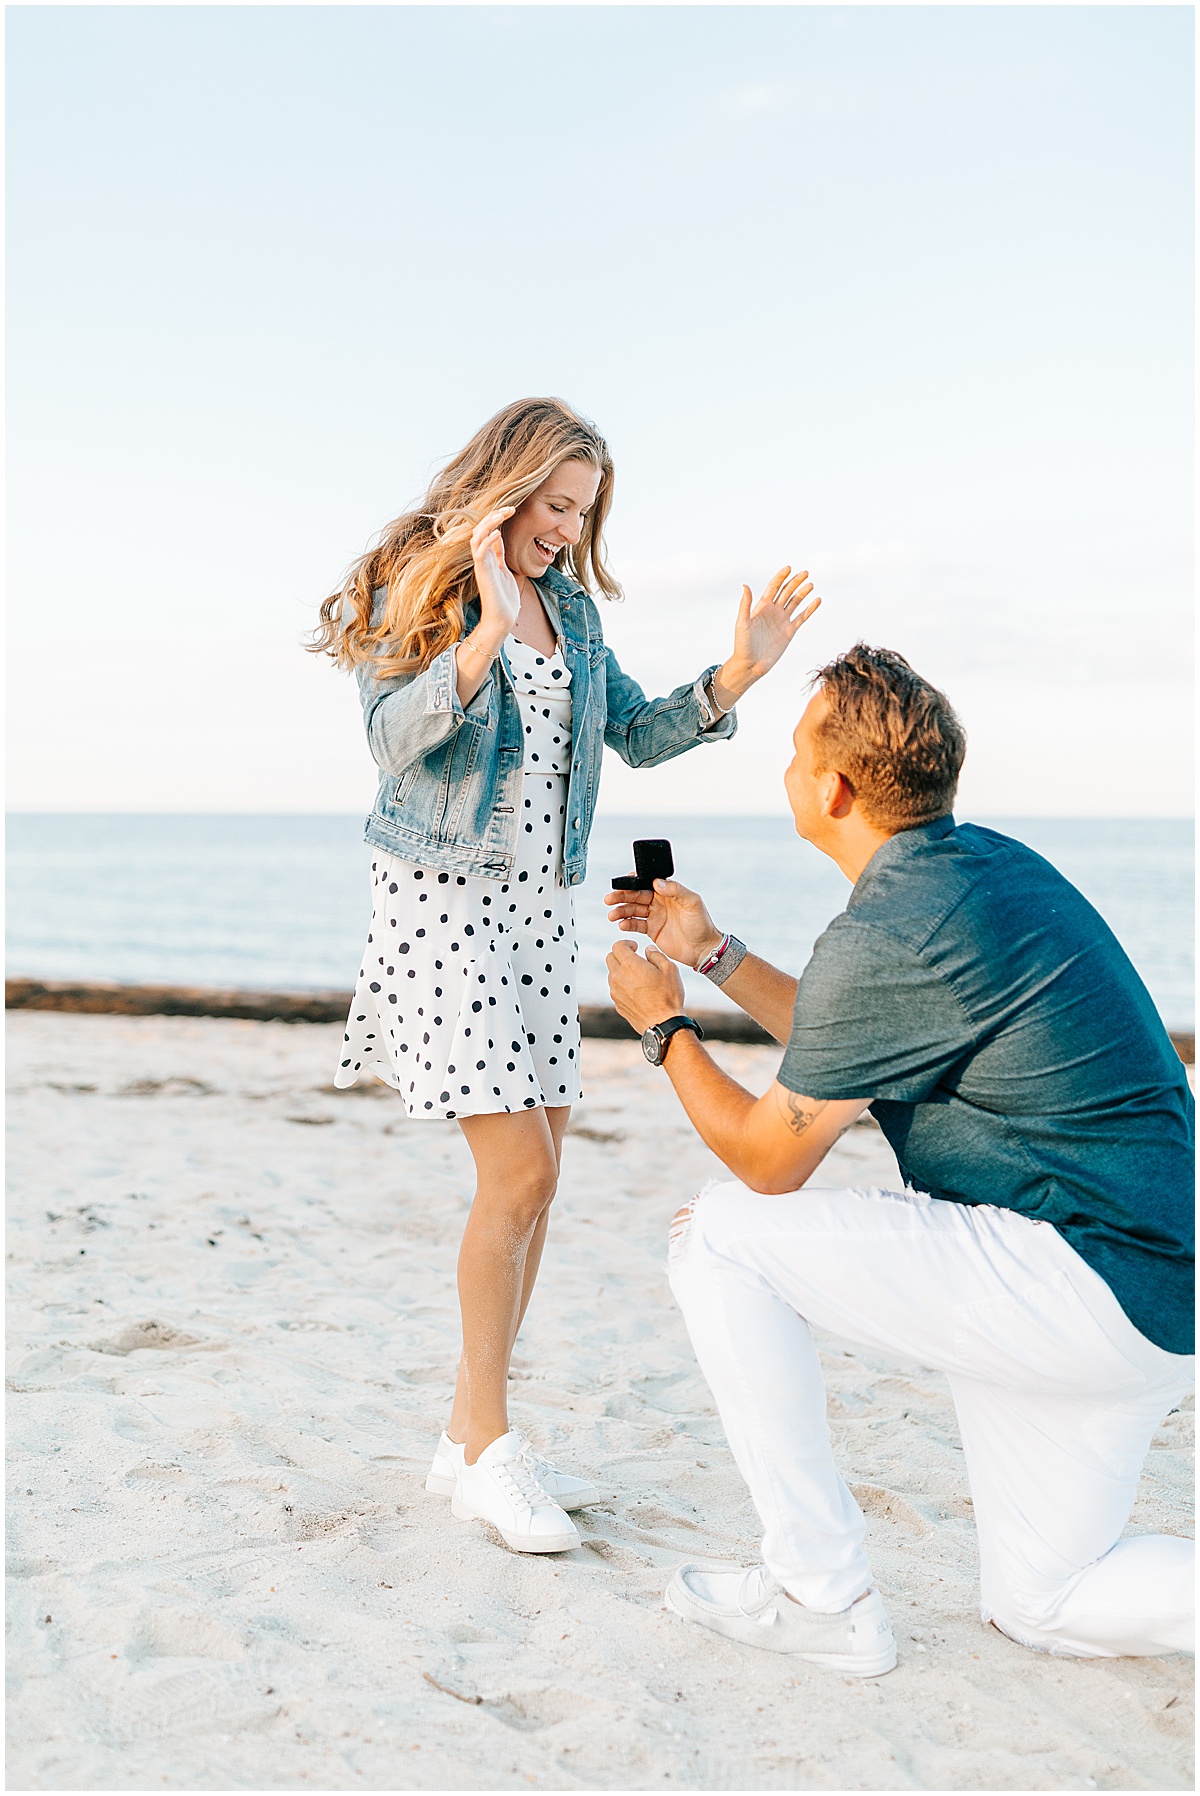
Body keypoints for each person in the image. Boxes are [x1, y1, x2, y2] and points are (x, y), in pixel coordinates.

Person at [605, 643, 1194, 1676]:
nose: (784, 767)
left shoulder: (895, 928)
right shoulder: (979, 868)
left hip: (1079, 1276)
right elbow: (857, 1048)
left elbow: (767, 1160)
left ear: (833, 786)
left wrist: (666, 1030)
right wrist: (711, 955)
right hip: (1153, 1295)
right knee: (1043, 1599)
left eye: (793, 750)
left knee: (724, 1235)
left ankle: (818, 1592)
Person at [311, 396, 821, 1554]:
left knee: (545, 1177)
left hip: (537, 911)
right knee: (519, 1175)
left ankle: (465, 1436)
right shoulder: (420, 578)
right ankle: (491, 1447)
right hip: (443, 901)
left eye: (581, 511)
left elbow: (633, 734)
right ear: (505, 486)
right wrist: (487, 624)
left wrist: (734, 677)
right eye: (552, 504)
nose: (564, 528)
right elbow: (394, 741)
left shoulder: (575, 609)